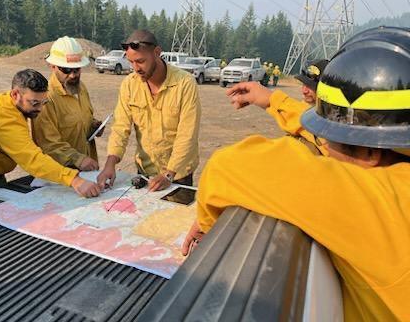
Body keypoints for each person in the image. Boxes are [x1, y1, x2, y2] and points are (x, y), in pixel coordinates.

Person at [182, 27, 410, 320]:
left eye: (330, 139)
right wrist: (273, 100)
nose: (323, 145)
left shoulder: (386, 207)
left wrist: (208, 225)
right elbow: (327, 138)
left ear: (372, 152)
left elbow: (225, 168)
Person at [97, 30, 201, 192]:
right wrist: (110, 164)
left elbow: (187, 134)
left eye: (140, 61)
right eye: (131, 62)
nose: (135, 68)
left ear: (157, 53)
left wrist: (169, 174)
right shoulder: (129, 84)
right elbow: (120, 128)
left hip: (178, 174)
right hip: (145, 171)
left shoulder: (184, 83)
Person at [0, 69, 101, 197]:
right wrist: (74, 180)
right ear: (15, 95)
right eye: (34, 103)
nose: (40, 109)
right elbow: (32, 159)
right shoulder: (2, 114)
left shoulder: (12, 104)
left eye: (43, 103)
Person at [32, 36, 100, 171]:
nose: (73, 75)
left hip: (85, 168)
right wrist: (78, 159)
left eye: (77, 69)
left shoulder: (81, 88)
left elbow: (80, 120)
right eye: (66, 70)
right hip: (59, 175)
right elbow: (48, 143)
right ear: (52, 67)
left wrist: (93, 125)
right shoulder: (46, 98)